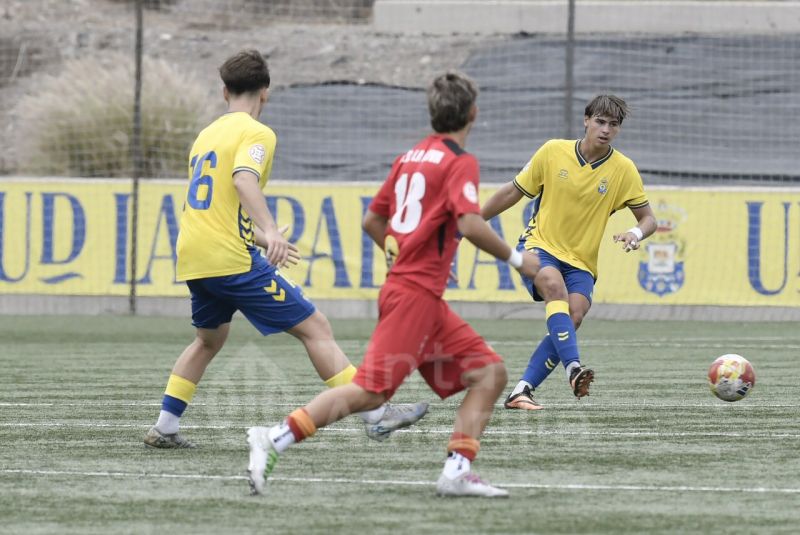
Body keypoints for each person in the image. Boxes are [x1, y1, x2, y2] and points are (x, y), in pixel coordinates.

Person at [245, 71, 540, 499]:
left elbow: (373, 220)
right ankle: (274, 438)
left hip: (419, 296)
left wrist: (402, 253)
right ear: (473, 113)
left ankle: (457, 471)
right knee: (369, 392)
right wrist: (520, 260)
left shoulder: (411, 156)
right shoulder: (460, 161)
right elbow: (470, 222)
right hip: (414, 297)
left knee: (489, 372)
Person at [143, 49, 428, 449]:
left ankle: (165, 427)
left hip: (195, 257)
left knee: (208, 341)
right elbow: (244, 181)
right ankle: (376, 414)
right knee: (316, 328)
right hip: (231, 260)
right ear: (267, 93)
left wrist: (262, 236)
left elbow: (215, 205)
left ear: (224, 91)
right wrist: (271, 231)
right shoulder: (257, 133)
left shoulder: (206, 134)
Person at [481, 94, 657, 410]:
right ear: (586, 120)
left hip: (582, 263)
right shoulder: (553, 152)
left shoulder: (623, 169)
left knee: (573, 315)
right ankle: (573, 369)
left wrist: (635, 232)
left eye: (613, 125)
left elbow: (649, 219)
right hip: (540, 246)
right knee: (552, 286)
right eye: (600, 121)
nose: (605, 129)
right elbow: (513, 191)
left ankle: (521, 390)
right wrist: (473, 220)